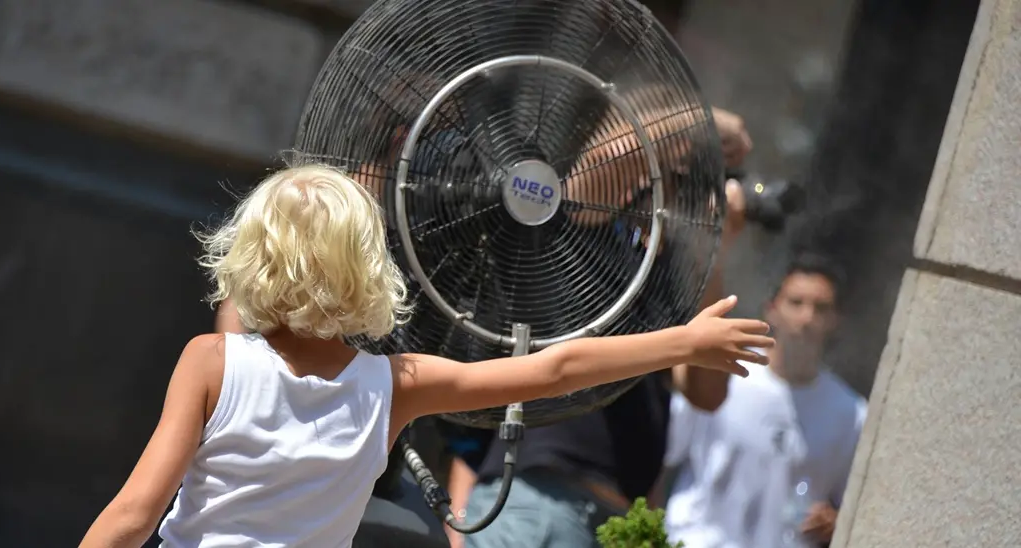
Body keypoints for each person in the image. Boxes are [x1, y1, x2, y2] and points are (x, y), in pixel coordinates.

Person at [78, 164, 773, 547]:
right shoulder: (396, 385)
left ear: (253, 258)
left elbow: (135, 514)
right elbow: (553, 370)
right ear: (366, 268)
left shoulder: (212, 360)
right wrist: (685, 341)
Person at [453, 106, 754, 548]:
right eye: (676, 176)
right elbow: (612, 153)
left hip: (612, 522)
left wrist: (711, 249)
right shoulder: (576, 233)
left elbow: (706, 392)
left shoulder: (669, 274)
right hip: (539, 498)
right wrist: (699, 119)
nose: (678, 192)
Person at [663, 253, 866, 548]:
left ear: (835, 320)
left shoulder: (852, 413)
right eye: (796, 303)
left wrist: (835, 522)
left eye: (820, 308)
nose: (807, 318)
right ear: (772, 310)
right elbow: (667, 451)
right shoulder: (725, 373)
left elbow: (850, 507)